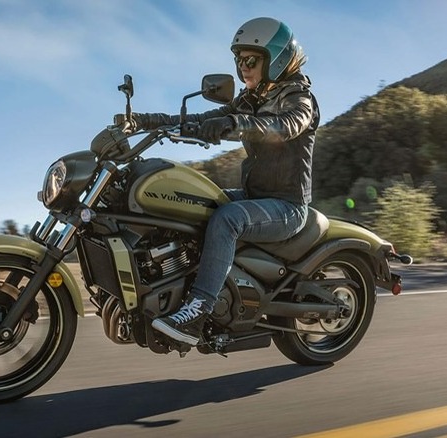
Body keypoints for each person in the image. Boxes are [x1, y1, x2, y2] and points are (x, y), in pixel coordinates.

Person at [130, 17, 320, 346]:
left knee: (227, 219)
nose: (242, 67)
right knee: (187, 202)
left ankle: (199, 309)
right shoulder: (251, 99)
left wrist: (233, 123)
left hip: (287, 207)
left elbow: (285, 126)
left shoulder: (300, 99)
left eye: (251, 60)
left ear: (274, 58)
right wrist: (146, 121)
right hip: (254, 196)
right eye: (238, 60)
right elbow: (200, 119)